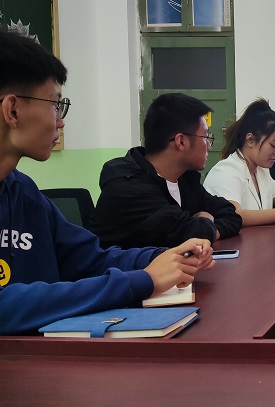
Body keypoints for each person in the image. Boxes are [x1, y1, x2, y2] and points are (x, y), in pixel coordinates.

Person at [0, 30, 213, 335]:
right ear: (13, 110)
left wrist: (164, 257)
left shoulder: (25, 194)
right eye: (55, 105)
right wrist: (143, 280)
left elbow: (91, 259)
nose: (60, 121)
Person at [90, 93, 242, 249]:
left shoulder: (185, 180)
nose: (209, 146)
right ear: (181, 141)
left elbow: (230, 214)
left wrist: (207, 227)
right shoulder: (129, 188)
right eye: (205, 137)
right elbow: (187, 234)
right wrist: (206, 220)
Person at [203, 98, 275, 224]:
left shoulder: (261, 170)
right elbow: (234, 216)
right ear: (250, 140)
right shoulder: (226, 172)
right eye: (273, 145)